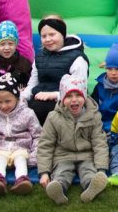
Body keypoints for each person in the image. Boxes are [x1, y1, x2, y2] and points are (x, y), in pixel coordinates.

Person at [37, 74, 110, 205]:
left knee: (88, 171)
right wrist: (44, 172)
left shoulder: (93, 116)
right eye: (69, 96)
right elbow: (45, 145)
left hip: (87, 155)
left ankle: (91, 186)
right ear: (63, 98)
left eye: (78, 95)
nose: (74, 100)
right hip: (63, 155)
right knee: (62, 173)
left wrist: (101, 169)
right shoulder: (53, 117)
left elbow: (99, 142)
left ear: (85, 96)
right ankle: (58, 189)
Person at [0, 72, 41, 196]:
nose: (3, 106)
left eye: (8, 101)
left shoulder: (27, 113)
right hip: (0, 146)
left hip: (21, 146)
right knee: (0, 159)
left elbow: (38, 135)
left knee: (20, 159)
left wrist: (35, 155)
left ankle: (22, 179)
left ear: (17, 98)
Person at [23, 17, 88, 125]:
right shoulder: (40, 58)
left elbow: (80, 90)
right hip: (37, 103)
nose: (48, 39)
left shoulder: (77, 58)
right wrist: (20, 98)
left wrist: (53, 95)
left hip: (64, 105)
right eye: (44, 36)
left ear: (62, 34)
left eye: (52, 34)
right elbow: (32, 85)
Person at [0, 21, 33, 109]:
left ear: (16, 44)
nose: (7, 48)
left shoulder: (24, 63)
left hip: (21, 107)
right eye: (2, 44)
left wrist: (25, 90)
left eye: (10, 43)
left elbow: (32, 83)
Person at [92, 43, 118, 132]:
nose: (113, 73)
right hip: (100, 126)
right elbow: (92, 107)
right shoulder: (100, 85)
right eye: (109, 69)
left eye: (117, 69)